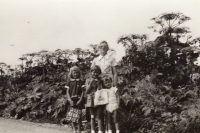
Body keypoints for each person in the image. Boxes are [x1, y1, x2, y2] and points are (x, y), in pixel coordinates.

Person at [65, 66, 85, 133]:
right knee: (72, 115)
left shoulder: (81, 81)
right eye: (74, 73)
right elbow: (67, 92)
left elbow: (83, 92)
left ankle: (79, 129)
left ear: (79, 73)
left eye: (77, 73)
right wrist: (70, 100)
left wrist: (80, 100)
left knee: (78, 115)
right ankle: (74, 129)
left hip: (79, 101)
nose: (75, 74)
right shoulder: (69, 82)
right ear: (71, 73)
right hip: (72, 101)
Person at [85, 65, 103, 133]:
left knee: (99, 116)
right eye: (93, 72)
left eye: (96, 72)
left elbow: (101, 90)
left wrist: (98, 83)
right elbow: (87, 91)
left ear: (99, 73)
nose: (95, 73)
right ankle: (92, 130)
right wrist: (91, 83)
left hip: (98, 99)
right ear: (91, 72)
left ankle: (100, 131)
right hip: (91, 99)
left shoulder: (100, 80)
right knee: (92, 116)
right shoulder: (88, 80)